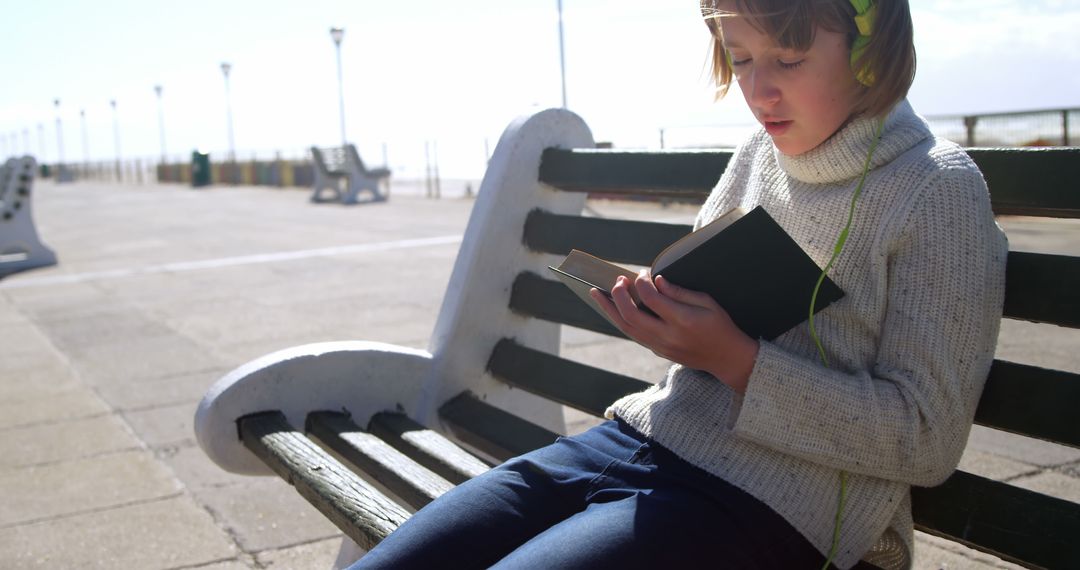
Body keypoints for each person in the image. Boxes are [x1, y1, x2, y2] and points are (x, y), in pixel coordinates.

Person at [350, 0, 1007, 568]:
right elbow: (709, 297)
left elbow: (926, 438)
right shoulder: (759, 153)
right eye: (740, 58)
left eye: (788, 59)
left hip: (780, 504)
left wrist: (737, 361)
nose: (759, 92)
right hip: (647, 438)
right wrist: (662, 308)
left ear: (871, 51)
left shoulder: (935, 189)